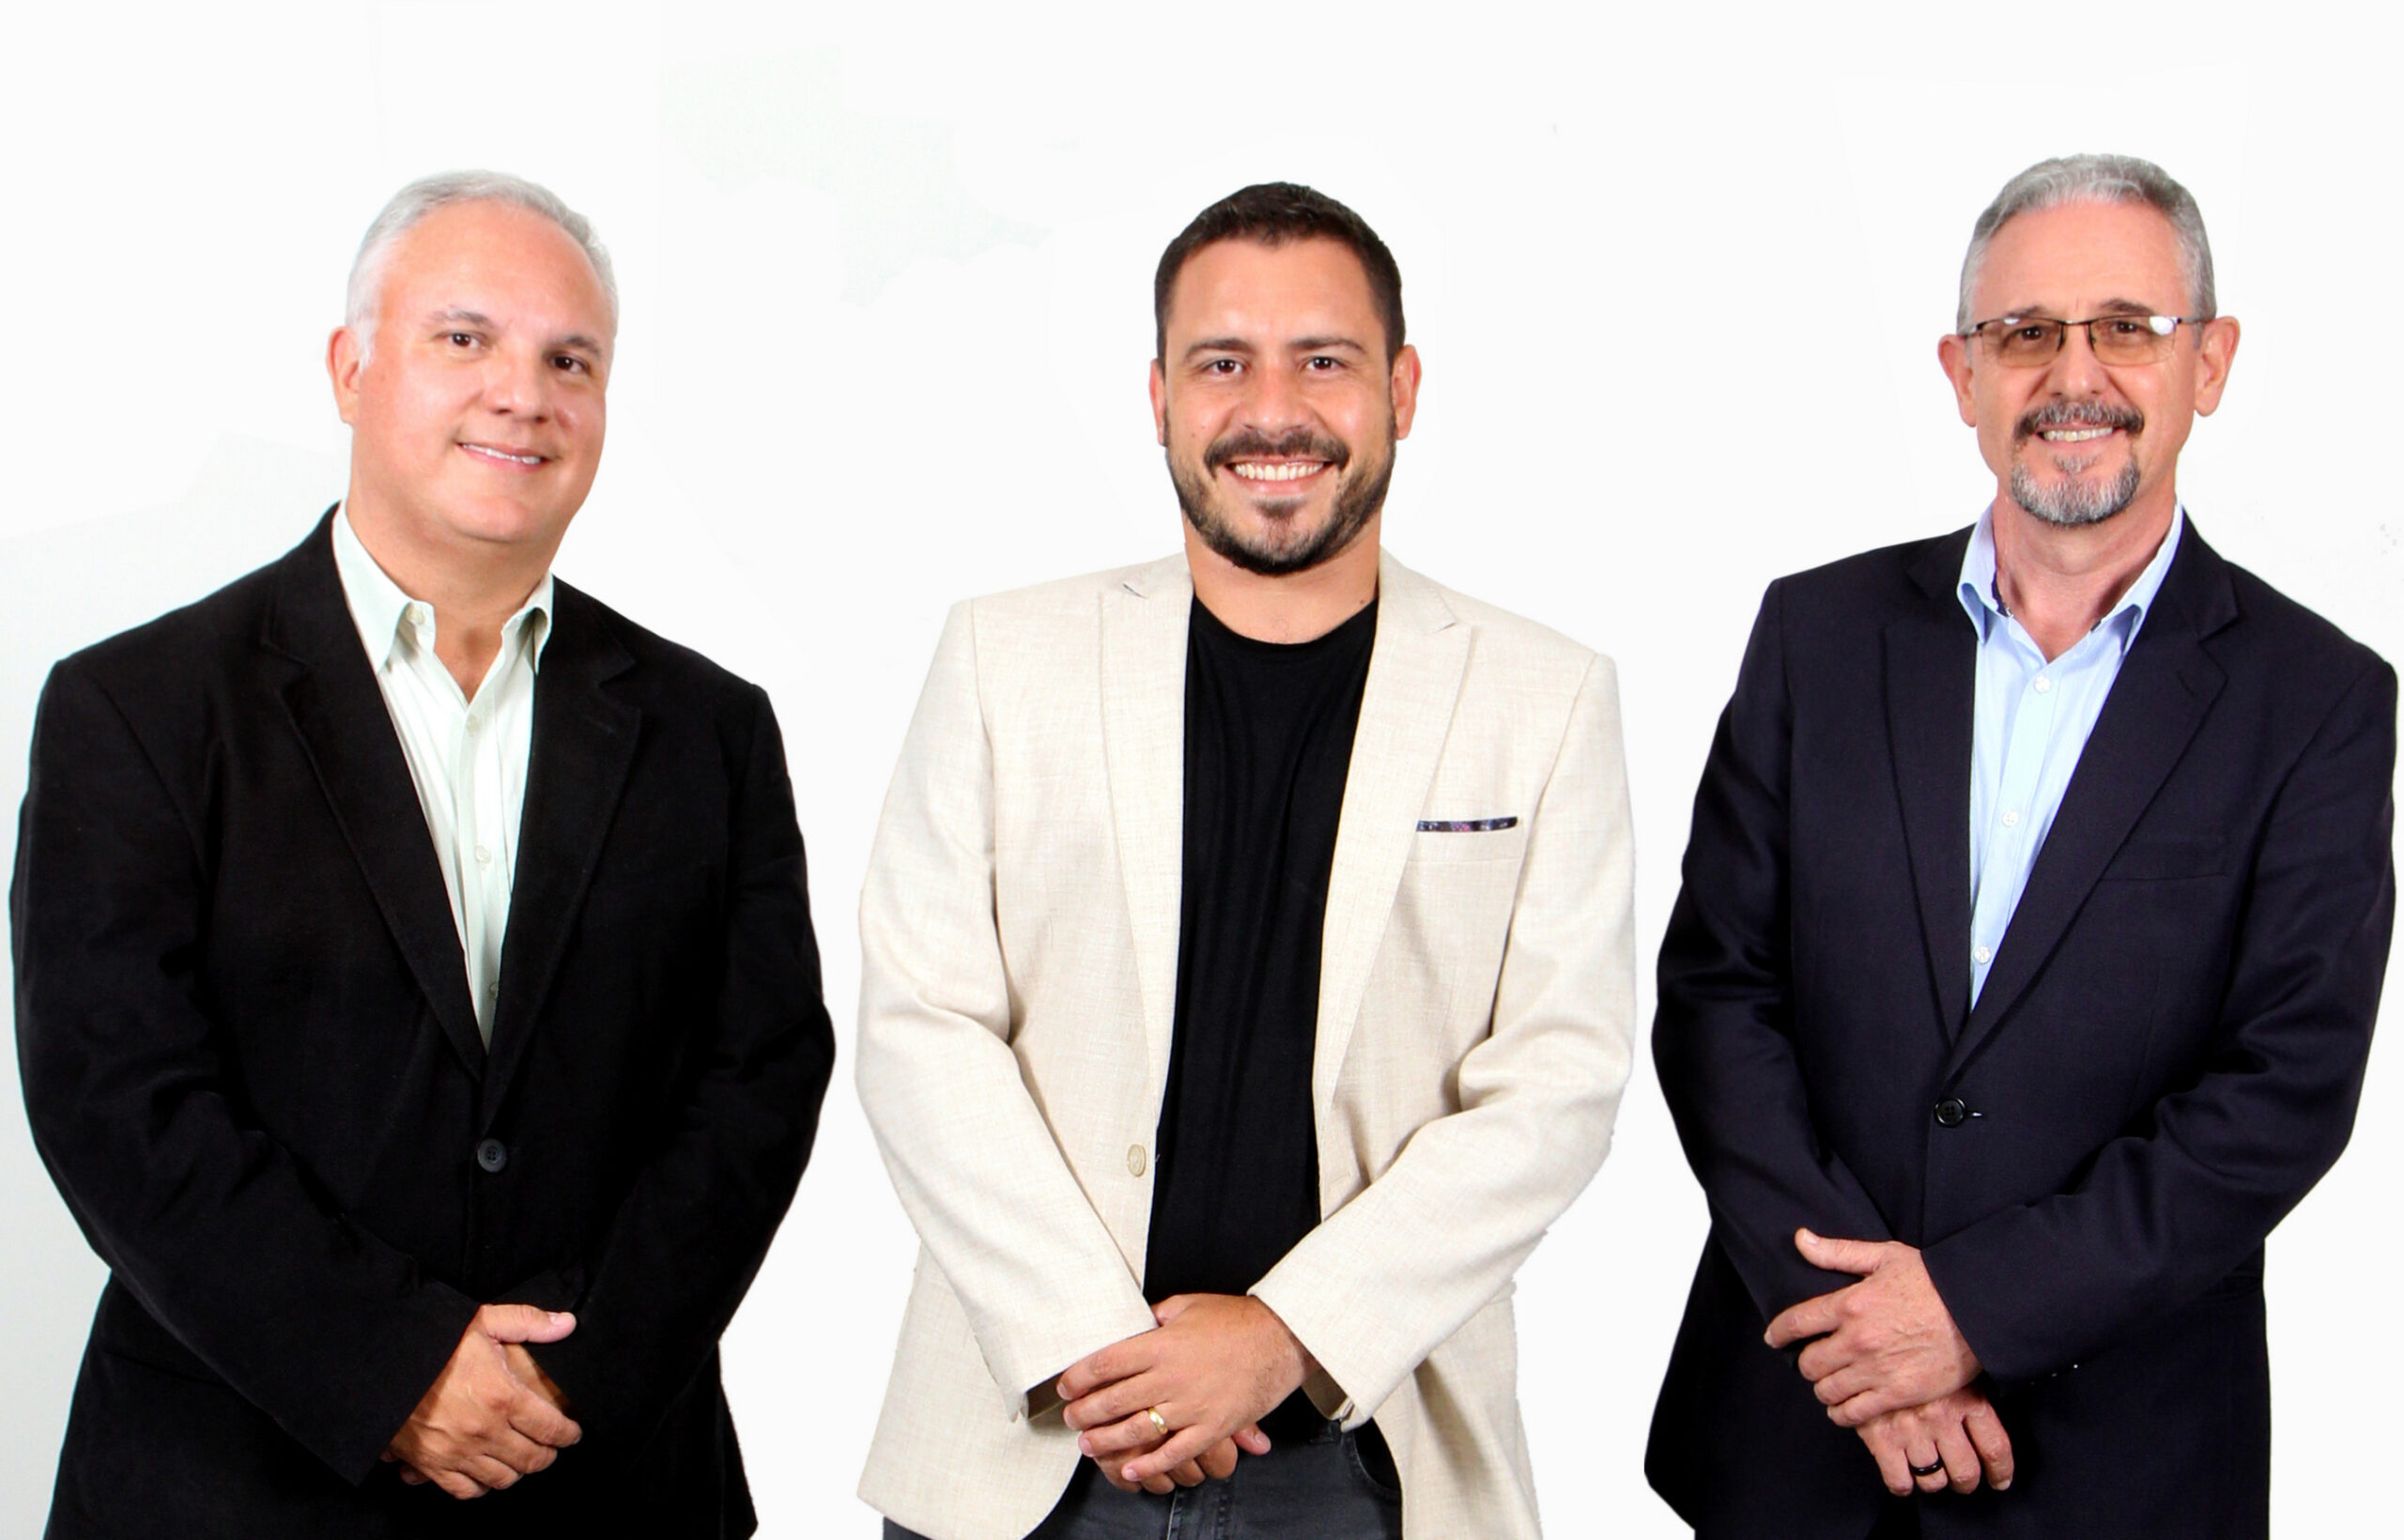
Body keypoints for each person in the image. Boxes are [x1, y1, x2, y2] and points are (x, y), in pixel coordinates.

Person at [11, 170, 836, 1537]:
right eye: (466, 338)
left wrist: (565, 1379)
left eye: (570, 360)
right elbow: (118, 1099)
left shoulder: (709, 728)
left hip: (606, 1475)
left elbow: (760, 1079)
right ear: (351, 370)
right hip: (235, 1484)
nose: (523, 394)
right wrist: (388, 1368)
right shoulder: (138, 708)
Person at [855, 181, 1636, 1540]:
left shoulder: (1544, 696)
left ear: (1401, 389)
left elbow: (1556, 1083)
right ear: (1161, 396)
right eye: (1224, 363)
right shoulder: (1001, 659)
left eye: (1323, 361)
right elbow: (920, 1023)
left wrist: (1283, 1335)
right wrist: (1097, 1347)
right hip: (1030, 1444)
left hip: (1366, 1458)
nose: (1273, 412)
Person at [1646, 152, 2396, 1539]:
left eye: (2127, 328)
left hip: (2119, 1465)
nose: (2075, 375)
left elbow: (2282, 1092)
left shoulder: (2319, 701)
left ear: (2210, 361)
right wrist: (1859, 1339)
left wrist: (1967, 1312)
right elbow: (1715, 999)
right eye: (2028, 332)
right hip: (1799, 1439)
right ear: (1963, 373)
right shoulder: (1818, 638)